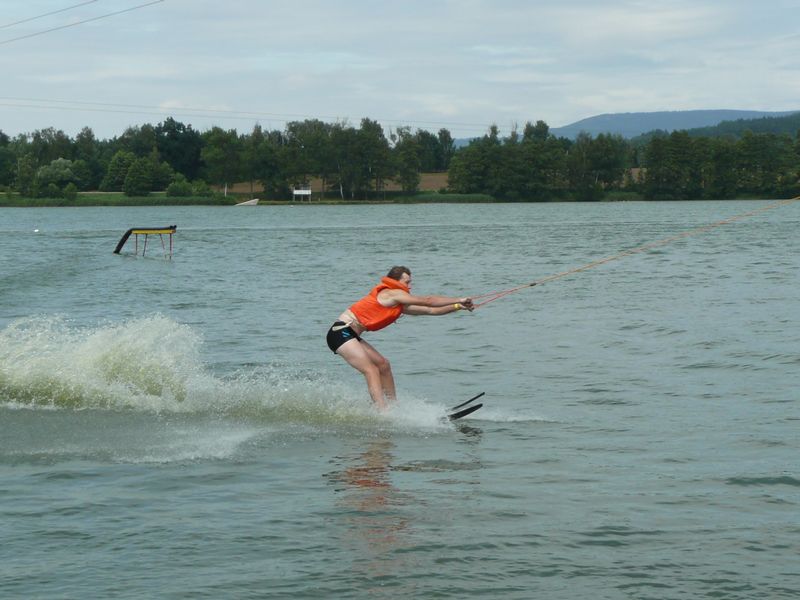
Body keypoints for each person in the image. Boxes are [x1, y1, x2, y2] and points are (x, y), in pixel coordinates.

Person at [326, 266, 473, 411]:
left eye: (410, 282)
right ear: (395, 281)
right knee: (371, 370)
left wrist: (458, 306)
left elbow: (431, 310)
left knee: (383, 365)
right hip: (339, 332)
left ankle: (393, 406)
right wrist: (459, 298)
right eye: (406, 282)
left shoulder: (397, 303)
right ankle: (382, 411)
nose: (409, 286)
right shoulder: (390, 293)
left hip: (351, 335)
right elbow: (428, 301)